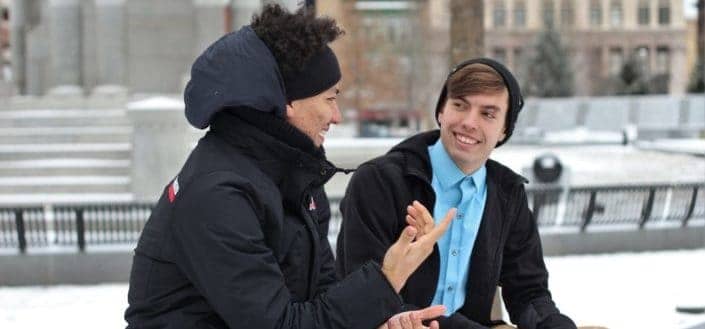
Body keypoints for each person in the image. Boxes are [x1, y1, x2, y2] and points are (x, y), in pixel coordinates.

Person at [124, 4, 450, 329]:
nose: (336, 116)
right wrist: (387, 277)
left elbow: (321, 299)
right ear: (288, 103)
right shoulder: (218, 195)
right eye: (330, 98)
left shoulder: (296, 178)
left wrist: (381, 320)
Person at [336, 58, 578, 329]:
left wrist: (552, 324)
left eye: (488, 114)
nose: (469, 122)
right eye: (460, 105)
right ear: (441, 110)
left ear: (504, 130)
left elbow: (528, 291)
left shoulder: (508, 195)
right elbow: (360, 295)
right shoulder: (379, 182)